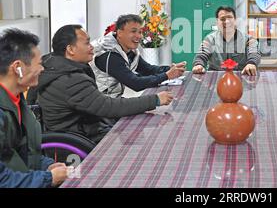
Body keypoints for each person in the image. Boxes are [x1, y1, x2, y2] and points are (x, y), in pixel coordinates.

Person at [27, 25, 174, 143]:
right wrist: (155, 99)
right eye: (86, 43)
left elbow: (147, 70)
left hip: (86, 125)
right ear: (70, 50)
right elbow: (108, 107)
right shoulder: (70, 79)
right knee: (138, 137)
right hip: (81, 136)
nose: (91, 46)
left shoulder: (54, 66)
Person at [0, 28, 69, 187]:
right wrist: (48, 178)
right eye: (39, 63)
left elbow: (21, 153)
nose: (42, 69)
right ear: (18, 67)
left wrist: (47, 166)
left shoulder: (17, 101)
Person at [92, 14, 185, 98]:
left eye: (140, 32)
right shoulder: (109, 54)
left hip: (113, 99)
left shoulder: (129, 50)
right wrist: (166, 75)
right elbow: (135, 83)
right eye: (133, 31)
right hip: (100, 105)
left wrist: (170, 69)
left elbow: (147, 69)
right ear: (119, 33)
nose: (139, 36)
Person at [192, 6, 261, 76]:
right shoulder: (209, 39)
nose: (227, 21)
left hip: (241, 76)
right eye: (222, 19)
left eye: (230, 18)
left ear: (235, 20)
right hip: (216, 78)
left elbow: (254, 53)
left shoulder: (248, 39)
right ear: (217, 22)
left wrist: (251, 63)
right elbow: (202, 54)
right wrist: (198, 64)